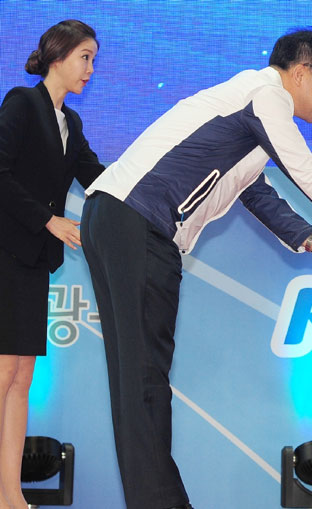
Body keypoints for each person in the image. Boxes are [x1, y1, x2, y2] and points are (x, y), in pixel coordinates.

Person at [80, 27, 312, 509]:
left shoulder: (249, 108)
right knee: (143, 380)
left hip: (116, 217)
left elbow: (253, 190)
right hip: (137, 224)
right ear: (301, 72)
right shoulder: (265, 95)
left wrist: (309, 238)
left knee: (136, 381)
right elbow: (305, 169)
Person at [0, 20, 103, 509]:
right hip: (6, 254)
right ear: (58, 57)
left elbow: (99, 181)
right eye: (85, 57)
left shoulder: (72, 125)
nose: (90, 68)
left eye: (93, 59)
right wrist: (48, 220)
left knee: (21, 381)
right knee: (2, 376)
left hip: (34, 263)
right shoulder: (22, 103)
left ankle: (10, 496)